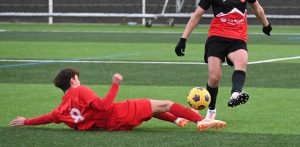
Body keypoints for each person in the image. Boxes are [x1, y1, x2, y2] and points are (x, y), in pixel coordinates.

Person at [175, 0, 272, 120]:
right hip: (217, 38)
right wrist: (183, 39)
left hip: (237, 38)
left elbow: (258, 10)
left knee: (242, 60)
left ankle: (235, 94)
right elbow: (197, 15)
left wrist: (266, 25)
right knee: (214, 77)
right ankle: (211, 110)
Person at [10, 67, 226, 131]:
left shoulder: (60, 111)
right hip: (118, 113)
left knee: (151, 108)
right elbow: (104, 106)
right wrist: (115, 83)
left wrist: (26, 121)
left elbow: (47, 118)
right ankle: (201, 120)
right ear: (74, 80)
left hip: (113, 125)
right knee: (166, 103)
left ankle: (177, 120)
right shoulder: (80, 90)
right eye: (78, 78)